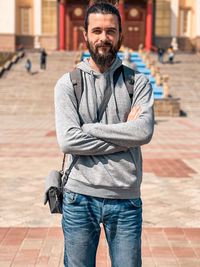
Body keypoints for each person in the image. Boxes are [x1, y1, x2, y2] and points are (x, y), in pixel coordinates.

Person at [54, 2, 154, 267]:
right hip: (78, 197)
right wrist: (124, 136)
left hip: (125, 199)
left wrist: (88, 130)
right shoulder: (68, 84)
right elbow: (67, 140)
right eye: (96, 30)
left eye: (111, 31)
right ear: (84, 34)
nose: (104, 38)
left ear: (121, 35)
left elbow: (143, 132)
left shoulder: (137, 82)